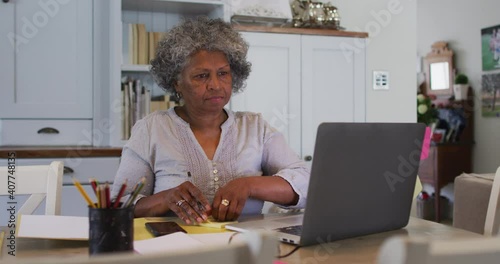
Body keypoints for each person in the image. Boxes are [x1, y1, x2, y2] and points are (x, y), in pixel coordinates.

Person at [111, 17, 310, 224]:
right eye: (201, 76)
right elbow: (119, 206)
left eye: (223, 73)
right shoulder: (151, 129)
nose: (215, 85)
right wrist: (164, 199)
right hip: (175, 251)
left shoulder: (255, 127)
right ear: (177, 83)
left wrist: (248, 185)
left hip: (245, 250)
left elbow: (305, 183)